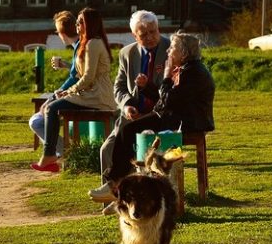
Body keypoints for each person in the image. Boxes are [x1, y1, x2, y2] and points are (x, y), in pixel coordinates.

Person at [89, 31, 215, 202]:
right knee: (129, 130)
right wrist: (148, 86)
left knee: (128, 131)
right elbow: (166, 100)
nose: (168, 51)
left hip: (186, 123)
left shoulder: (192, 73)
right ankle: (119, 186)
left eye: (173, 48)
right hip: (176, 117)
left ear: (184, 53)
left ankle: (116, 185)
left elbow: (169, 100)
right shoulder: (188, 69)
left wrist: (166, 76)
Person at [32, 7, 116, 172]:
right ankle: (52, 154)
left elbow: (88, 77)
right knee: (52, 107)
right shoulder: (87, 43)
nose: (76, 25)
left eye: (80, 22)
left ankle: (50, 154)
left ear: (88, 24)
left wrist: (69, 91)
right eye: (77, 22)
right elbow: (79, 73)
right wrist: (66, 86)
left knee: (51, 108)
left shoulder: (94, 43)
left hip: (98, 96)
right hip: (89, 93)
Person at [99, 10, 170, 182]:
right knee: (106, 150)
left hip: (159, 114)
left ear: (158, 28)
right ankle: (113, 197)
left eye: (153, 32)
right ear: (134, 35)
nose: (150, 37)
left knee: (144, 153)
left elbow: (172, 91)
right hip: (132, 114)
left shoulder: (171, 49)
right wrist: (126, 105)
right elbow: (119, 87)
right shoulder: (127, 53)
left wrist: (148, 86)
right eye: (143, 34)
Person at [28, 11, 81, 156]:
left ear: (62, 34)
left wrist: (54, 96)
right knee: (41, 116)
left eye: (58, 32)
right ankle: (61, 152)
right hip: (80, 94)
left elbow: (76, 77)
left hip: (80, 96)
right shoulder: (81, 45)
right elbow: (79, 72)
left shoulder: (80, 47)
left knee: (36, 121)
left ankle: (63, 153)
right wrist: (66, 64)